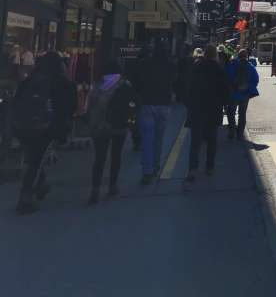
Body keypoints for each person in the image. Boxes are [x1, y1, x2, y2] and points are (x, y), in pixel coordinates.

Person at [12, 51, 76, 215]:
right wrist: (63, 131)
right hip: (45, 128)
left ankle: (40, 184)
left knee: (32, 158)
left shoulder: (31, 79)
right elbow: (68, 108)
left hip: (22, 127)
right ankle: (25, 198)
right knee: (35, 161)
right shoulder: (61, 82)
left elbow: (16, 101)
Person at [86, 59, 136, 204]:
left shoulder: (97, 84)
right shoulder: (124, 84)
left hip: (100, 126)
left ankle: (95, 189)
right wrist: (131, 122)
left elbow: (90, 106)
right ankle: (112, 186)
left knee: (99, 158)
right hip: (118, 125)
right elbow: (131, 104)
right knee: (116, 156)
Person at [185, 44, 230, 180]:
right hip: (213, 110)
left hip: (197, 109)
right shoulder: (219, 69)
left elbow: (189, 87)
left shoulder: (196, 66)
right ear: (215, 55)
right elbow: (225, 91)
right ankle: (209, 167)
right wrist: (224, 105)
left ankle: (192, 169)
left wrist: (189, 104)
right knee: (212, 140)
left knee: (195, 142)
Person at [133, 47, 175, 185]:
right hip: (164, 104)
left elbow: (137, 82)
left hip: (147, 104)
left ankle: (147, 171)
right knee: (159, 138)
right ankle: (156, 166)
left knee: (147, 139)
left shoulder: (144, 64)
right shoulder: (170, 65)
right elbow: (174, 81)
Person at [224, 48, 259, 140]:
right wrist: (248, 87)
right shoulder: (250, 66)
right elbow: (256, 79)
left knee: (231, 112)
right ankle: (240, 134)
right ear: (246, 56)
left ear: (238, 56)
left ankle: (231, 131)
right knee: (242, 114)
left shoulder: (232, 64)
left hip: (233, 94)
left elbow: (226, 76)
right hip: (245, 94)